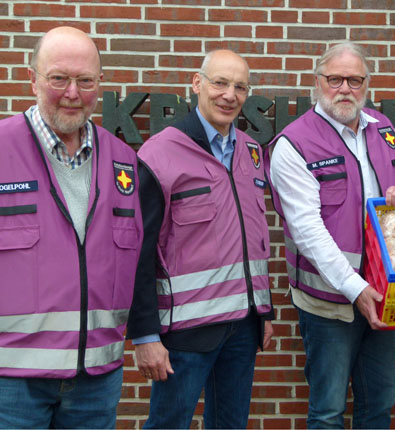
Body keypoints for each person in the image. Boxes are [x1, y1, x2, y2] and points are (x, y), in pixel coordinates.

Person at [265, 42, 395, 429]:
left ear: (367, 84)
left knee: (379, 402)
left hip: (383, 291)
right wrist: (356, 289)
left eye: (355, 80)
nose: (345, 88)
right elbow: (308, 232)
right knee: (327, 411)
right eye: (335, 79)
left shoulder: (381, 128)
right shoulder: (294, 143)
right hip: (329, 301)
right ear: (317, 82)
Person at [0, 26, 143, 428]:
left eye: (85, 80)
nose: (72, 93)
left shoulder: (123, 161)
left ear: (100, 82)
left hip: (96, 379)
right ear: (31, 78)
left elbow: (134, 257)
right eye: (58, 78)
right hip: (12, 379)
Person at [126, 49, 274, 429]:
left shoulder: (253, 153)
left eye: (240, 87)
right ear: (197, 84)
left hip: (243, 326)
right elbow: (137, 251)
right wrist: (144, 334)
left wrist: (264, 310)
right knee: (168, 424)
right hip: (185, 332)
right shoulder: (160, 153)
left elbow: (254, 236)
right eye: (220, 83)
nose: (229, 95)